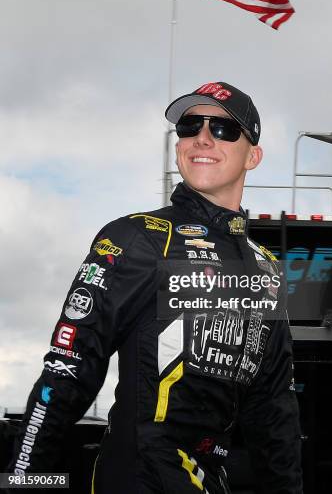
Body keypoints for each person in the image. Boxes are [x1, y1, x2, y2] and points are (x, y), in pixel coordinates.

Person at [9, 81, 303, 493]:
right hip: (138, 476)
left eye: (223, 129)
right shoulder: (140, 237)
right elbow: (68, 369)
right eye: (189, 126)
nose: (202, 137)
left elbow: (274, 410)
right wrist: (23, 480)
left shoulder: (266, 269)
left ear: (253, 155)